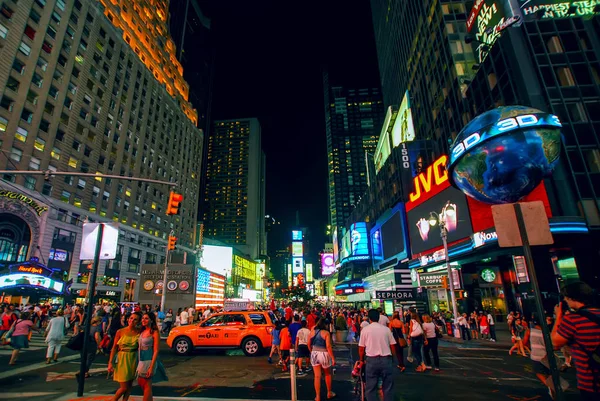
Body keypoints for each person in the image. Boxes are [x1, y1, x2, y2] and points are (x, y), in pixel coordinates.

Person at [552, 282, 600, 401]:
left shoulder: (573, 319)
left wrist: (558, 316)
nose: (565, 301)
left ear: (572, 298)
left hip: (590, 381)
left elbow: (554, 343)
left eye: (566, 298)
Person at [358, 309, 396, 401]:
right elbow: (392, 346)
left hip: (371, 360)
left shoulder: (365, 330)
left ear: (369, 318)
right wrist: (392, 358)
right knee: (388, 387)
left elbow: (361, 348)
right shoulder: (386, 330)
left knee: (371, 387)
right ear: (379, 318)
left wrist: (361, 360)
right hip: (386, 359)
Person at [530, 319, 569, 399]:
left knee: (539, 373)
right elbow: (554, 346)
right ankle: (555, 385)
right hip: (546, 356)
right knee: (550, 373)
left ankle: (552, 387)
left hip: (536, 356)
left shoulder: (530, 331)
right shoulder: (546, 333)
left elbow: (525, 341)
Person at [109, 312, 142, 401]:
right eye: (131, 318)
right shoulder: (120, 331)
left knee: (129, 385)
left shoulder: (139, 332)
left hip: (133, 358)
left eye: (135, 319)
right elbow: (114, 347)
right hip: (122, 358)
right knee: (123, 387)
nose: (132, 321)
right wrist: (110, 362)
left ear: (138, 322)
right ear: (128, 319)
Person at [137, 312, 168, 401]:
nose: (144, 320)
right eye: (143, 318)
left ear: (151, 320)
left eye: (146, 318)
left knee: (147, 384)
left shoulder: (154, 332)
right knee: (142, 383)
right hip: (140, 357)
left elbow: (156, 350)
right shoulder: (142, 331)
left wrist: (151, 366)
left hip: (149, 358)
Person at [308, 318, 336, 401]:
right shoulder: (326, 333)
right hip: (324, 354)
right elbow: (328, 346)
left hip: (314, 353)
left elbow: (308, 344)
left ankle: (318, 396)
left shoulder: (312, 332)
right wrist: (333, 357)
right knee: (327, 373)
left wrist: (311, 351)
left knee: (317, 376)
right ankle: (329, 392)